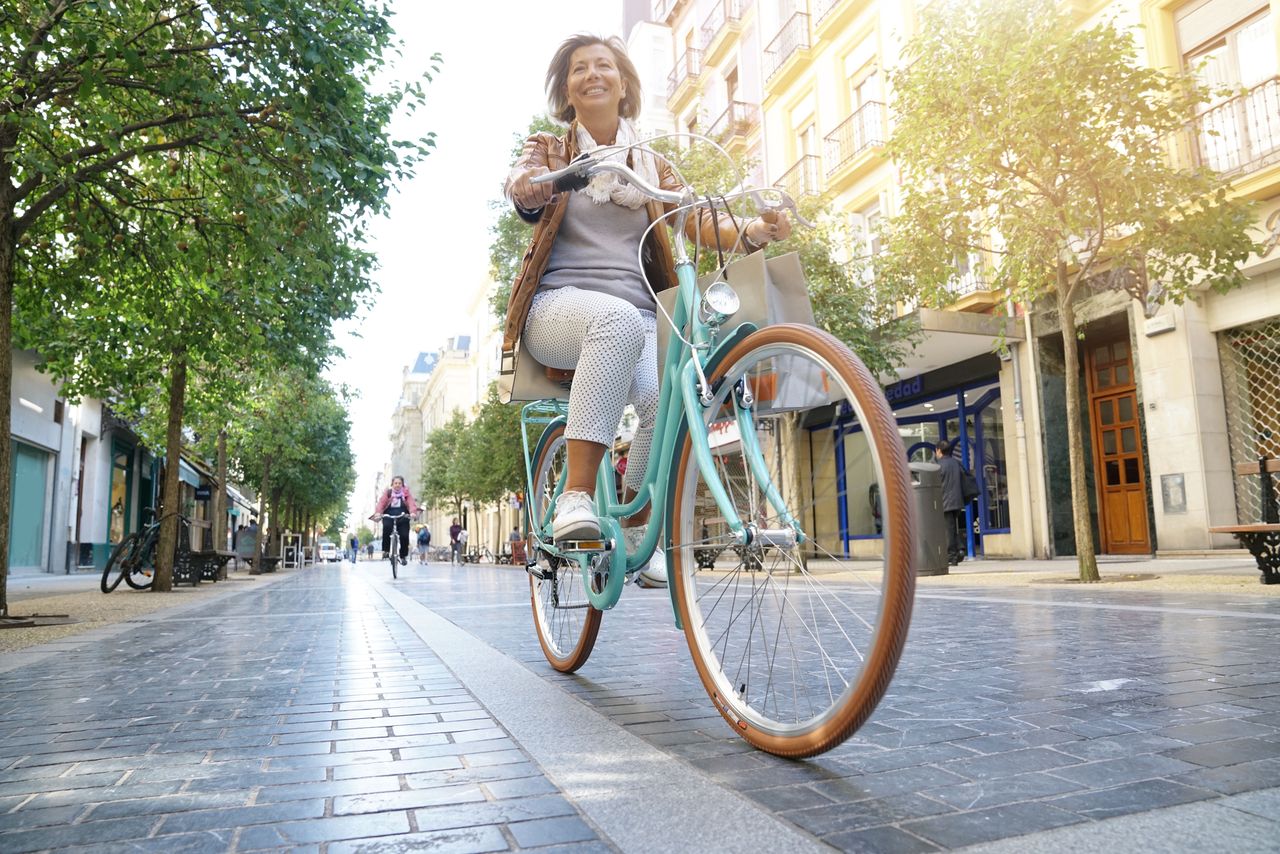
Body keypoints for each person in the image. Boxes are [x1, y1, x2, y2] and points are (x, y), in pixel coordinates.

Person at [505, 34, 790, 588]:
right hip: (559, 309)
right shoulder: (551, 148)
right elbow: (521, 188)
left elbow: (701, 220)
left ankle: (634, 524)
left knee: (670, 394)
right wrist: (543, 181)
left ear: (624, 83)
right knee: (612, 320)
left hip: (637, 322)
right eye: (579, 68)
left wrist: (754, 229)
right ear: (566, 89)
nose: (593, 74)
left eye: (604, 66)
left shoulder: (654, 165)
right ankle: (576, 499)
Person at [371, 475, 419, 566]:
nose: (397, 485)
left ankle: (403, 555)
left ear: (402, 484)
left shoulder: (406, 493)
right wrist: (378, 513)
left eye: (399, 483)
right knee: (387, 528)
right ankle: (386, 550)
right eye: (395, 483)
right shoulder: (388, 493)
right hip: (389, 514)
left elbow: (411, 503)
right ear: (392, 484)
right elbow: (381, 503)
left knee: (404, 535)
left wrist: (412, 512)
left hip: (402, 515)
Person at [935, 440, 966, 566]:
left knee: (948, 529)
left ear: (938, 451)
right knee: (951, 528)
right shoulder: (956, 463)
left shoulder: (938, 465)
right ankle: (960, 548)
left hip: (945, 502)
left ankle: (952, 556)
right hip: (957, 502)